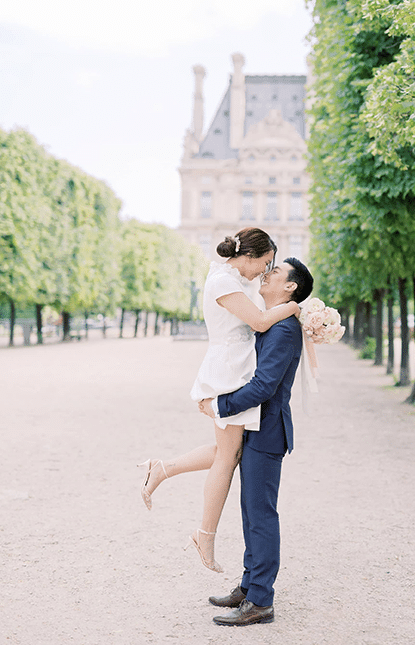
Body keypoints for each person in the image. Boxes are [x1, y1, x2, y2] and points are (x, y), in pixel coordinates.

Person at [138, 228, 300, 573]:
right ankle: (204, 533)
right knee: (228, 456)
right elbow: (257, 321)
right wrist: (294, 307)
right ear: (250, 256)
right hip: (229, 371)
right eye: (265, 263)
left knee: (230, 450)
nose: (264, 272)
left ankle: (162, 469)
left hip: (235, 367)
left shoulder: (232, 279)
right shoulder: (224, 281)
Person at [199, 257, 314, 626]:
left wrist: (220, 405)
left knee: (261, 514)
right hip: (254, 427)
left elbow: (264, 387)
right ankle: (250, 586)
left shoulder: (282, 330)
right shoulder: (272, 323)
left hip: (267, 431)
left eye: (276, 272)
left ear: (290, 287)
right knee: (250, 512)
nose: (267, 274)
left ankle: (261, 599)